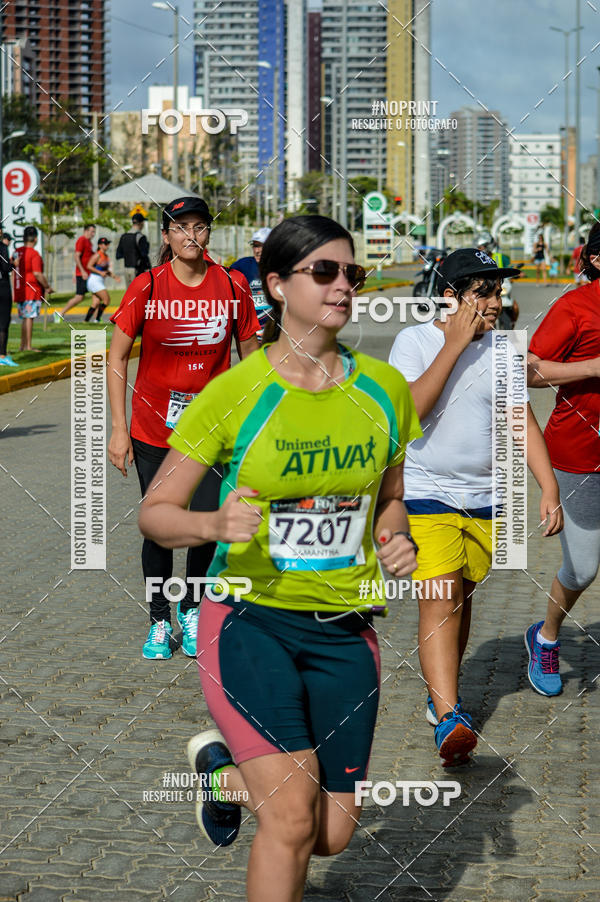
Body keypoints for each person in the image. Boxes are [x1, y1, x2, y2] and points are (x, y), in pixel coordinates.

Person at [137, 214, 422, 900]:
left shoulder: (384, 390)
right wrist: (212, 518)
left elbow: (389, 496)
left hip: (346, 629)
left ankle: (219, 772)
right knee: (291, 821)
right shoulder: (237, 393)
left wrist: (397, 536)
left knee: (329, 833)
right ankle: (256, 785)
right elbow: (156, 512)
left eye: (351, 272)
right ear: (276, 285)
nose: (343, 285)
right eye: (323, 271)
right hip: (248, 620)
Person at [389, 248, 563, 766]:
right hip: (426, 492)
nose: (496, 300)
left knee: (459, 601)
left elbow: (522, 418)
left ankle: (443, 695)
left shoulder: (504, 348)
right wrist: (455, 343)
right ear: (450, 296)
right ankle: (449, 716)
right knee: (439, 599)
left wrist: (547, 485)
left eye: (498, 290)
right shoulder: (414, 340)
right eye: (483, 291)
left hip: (489, 500)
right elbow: (411, 411)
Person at [108, 196, 260, 660]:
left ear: (208, 233)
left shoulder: (232, 286)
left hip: (213, 431)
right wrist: (118, 429)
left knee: (202, 527)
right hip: (154, 430)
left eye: (199, 226)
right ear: (168, 236)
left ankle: (193, 610)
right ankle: (159, 619)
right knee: (159, 527)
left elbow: (251, 358)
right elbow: (116, 356)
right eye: (181, 228)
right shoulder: (147, 286)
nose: (191, 235)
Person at [524, 222, 600, 696]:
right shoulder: (574, 307)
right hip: (580, 456)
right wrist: (593, 367)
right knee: (583, 569)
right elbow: (526, 369)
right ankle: (547, 638)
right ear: (595, 259)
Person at [13, 226, 52, 352]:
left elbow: (13, 270)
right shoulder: (34, 254)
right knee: (29, 318)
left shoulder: (17, 252)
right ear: (35, 239)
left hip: (20, 289)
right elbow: (37, 273)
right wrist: (47, 286)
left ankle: (22, 346)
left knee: (25, 318)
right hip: (31, 290)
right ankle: (28, 346)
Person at [230, 227, 272, 338]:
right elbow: (223, 280)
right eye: (255, 246)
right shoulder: (244, 265)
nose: (257, 250)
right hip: (252, 332)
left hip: (276, 332)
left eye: (262, 246)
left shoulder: (281, 265)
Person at [54, 224, 95, 322]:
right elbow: (76, 256)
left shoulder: (89, 242)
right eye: (92, 231)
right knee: (79, 297)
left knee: (97, 296)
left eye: (94, 232)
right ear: (86, 231)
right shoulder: (81, 240)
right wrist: (82, 271)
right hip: (82, 275)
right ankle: (60, 313)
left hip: (89, 274)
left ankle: (96, 319)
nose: (93, 234)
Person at [84, 238, 121, 323]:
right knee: (106, 300)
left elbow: (106, 271)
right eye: (105, 244)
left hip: (99, 280)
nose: (107, 245)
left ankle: (86, 321)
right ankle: (97, 319)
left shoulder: (106, 256)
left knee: (96, 303)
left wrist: (114, 277)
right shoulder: (97, 255)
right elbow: (89, 266)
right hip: (94, 280)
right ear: (100, 245)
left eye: (107, 243)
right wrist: (100, 272)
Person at [116, 213, 151, 285]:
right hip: (138, 270)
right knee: (139, 293)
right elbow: (144, 255)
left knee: (130, 294)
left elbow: (118, 254)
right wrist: (148, 268)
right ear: (141, 223)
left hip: (126, 269)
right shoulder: (140, 237)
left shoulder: (124, 236)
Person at [0, 227, 16, 366]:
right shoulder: (3, 247)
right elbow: (5, 267)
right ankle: (2, 355)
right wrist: (13, 264)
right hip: (2, 286)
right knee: (3, 321)